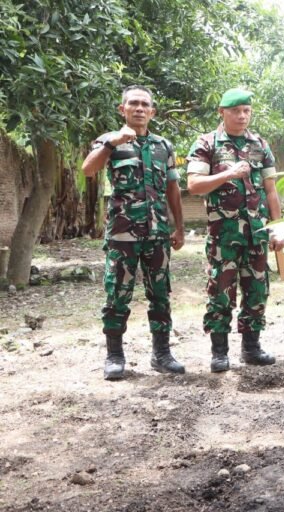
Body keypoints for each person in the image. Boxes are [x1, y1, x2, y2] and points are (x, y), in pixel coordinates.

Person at [82, 85, 186, 380]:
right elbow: (88, 169)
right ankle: (115, 356)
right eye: (133, 104)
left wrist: (179, 227)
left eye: (145, 105)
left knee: (161, 295)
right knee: (117, 295)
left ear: (152, 111)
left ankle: (162, 354)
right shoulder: (108, 141)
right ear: (122, 109)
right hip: (122, 235)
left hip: (157, 235)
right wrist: (111, 144)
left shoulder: (163, 146)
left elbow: (172, 189)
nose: (139, 109)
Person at [186, 88, 284, 373]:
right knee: (220, 290)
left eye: (246, 111)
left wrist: (277, 228)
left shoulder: (259, 144)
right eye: (235, 111)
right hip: (224, 235)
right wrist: (228, 174)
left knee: (257, 290)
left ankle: (252, 348)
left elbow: (271, 190)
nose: (242, 116)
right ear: (222, 112)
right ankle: (220, 352)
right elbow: (194, 185)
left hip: (257, 233)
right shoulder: (207, 143)